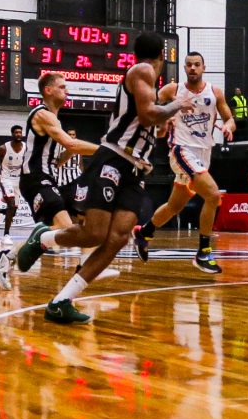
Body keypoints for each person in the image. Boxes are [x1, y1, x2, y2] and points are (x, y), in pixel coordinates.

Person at [19, 34, 173, 325]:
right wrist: (177, 106)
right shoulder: (142, 71)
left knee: (118, 238)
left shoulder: (150, 88)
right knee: (95, 234)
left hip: (136, 169)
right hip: (113, 159)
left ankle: (61, 301)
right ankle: (44, 238)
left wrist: (165, 119)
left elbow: (155, 125)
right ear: (161, 56)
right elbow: (148, 115)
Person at [139, 51, 230, 274]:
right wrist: (164, 117)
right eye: (189, 65)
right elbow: (148, 107)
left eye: (197, 64)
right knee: (213, 196)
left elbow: (229, 118)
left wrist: (229, 126)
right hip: (181, 150)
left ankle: (144, 233)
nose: (193, 68)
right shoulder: (173, 90)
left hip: (204, 153)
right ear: (184, 68)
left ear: (204, 67)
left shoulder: (215, 92)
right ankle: (203, 252)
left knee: (174, 206)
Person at [2, 76, 96, 273]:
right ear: (48, 90)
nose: (66, 91)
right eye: (62, 87)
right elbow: (71, 144)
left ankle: (10, 255)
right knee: (66, 229)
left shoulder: (53, 119)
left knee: (75, 224)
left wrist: (67, 154)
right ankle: (85, 268)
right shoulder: (42, 114)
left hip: (49, 178)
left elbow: (63, 155)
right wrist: (107, 151)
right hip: (36, 178)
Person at [0, 124, 32, 238]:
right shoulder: (3, 148)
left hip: (18, 180)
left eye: (20, 132)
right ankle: (6, 234)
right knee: (11, 204)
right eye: (16, 132)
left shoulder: (26, 148)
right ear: (12, 134)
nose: (18, 134)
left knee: (13, 211)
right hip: (5, 178)